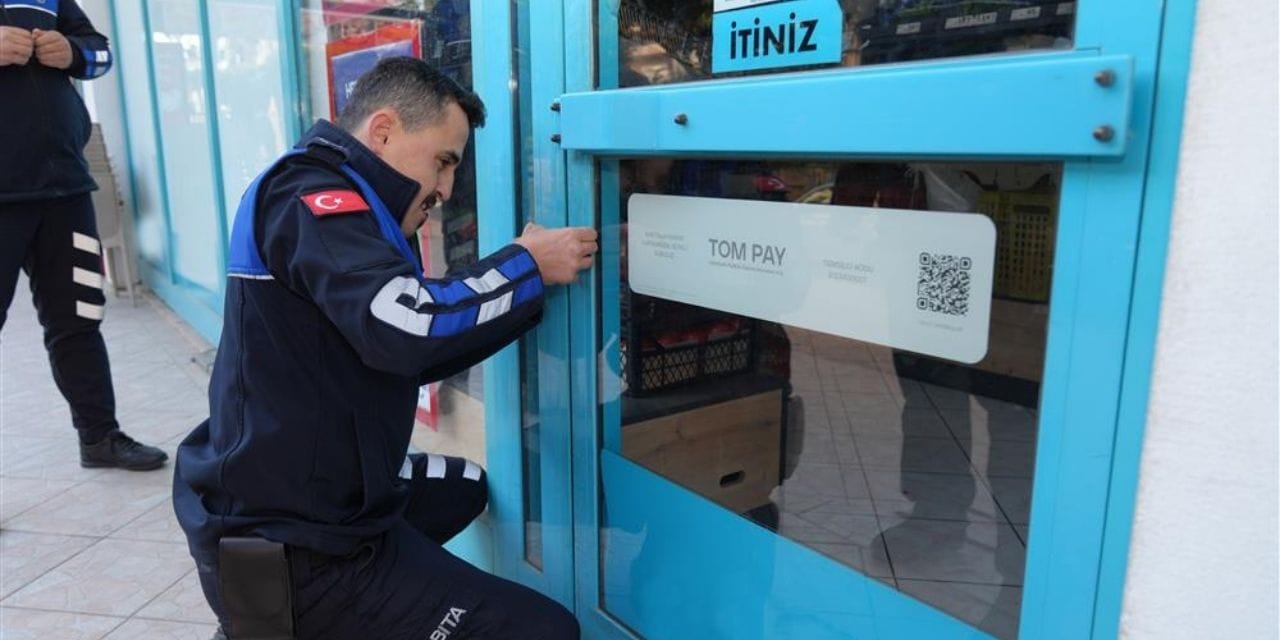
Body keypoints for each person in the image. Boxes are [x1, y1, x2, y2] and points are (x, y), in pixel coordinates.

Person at [173, 57, 597, 639]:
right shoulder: (310, 195)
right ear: (382, 131)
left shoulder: (340, 200)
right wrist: (526, 266)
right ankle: (312, 620)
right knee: (545, 631)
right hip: (302, 549)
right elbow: (408, 326)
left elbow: (409, 352)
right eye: (443, 161)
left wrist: (522, 288)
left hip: (310, 500)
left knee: (462, 487)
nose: (446, 189)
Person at [0, 0, 168, 471]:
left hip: (65, 192)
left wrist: (72, 51)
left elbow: (101, 54)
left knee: (79, 319)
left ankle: (99, 438)